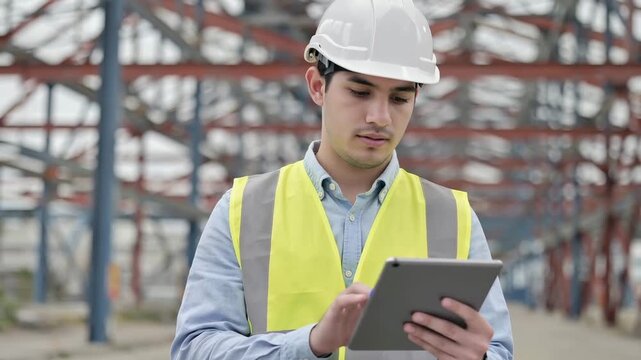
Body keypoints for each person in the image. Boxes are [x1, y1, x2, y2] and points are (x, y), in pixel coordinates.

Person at [171, 0, 514, 359]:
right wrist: (311, 343)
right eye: (360, 92)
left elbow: (498, 350)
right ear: (318, 86)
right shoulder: (243, 210)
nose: (380, 117)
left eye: (399, 98)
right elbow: (194, 348)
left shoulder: (453, 218)